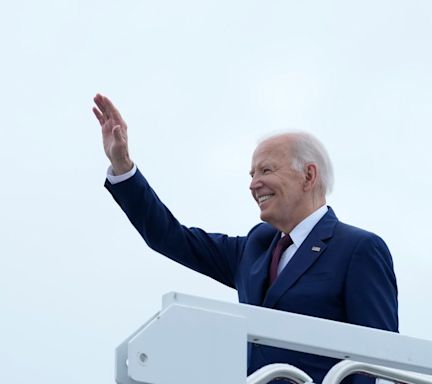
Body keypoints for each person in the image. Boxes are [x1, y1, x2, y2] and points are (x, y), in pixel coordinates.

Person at [92, 93, 398, 384]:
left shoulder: (358, 249)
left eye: (265, 170)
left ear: (309, 176)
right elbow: (169, 236)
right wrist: (123, 167)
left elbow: (377, 362)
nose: (254, 184)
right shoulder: (256, 247)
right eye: (251, 174)